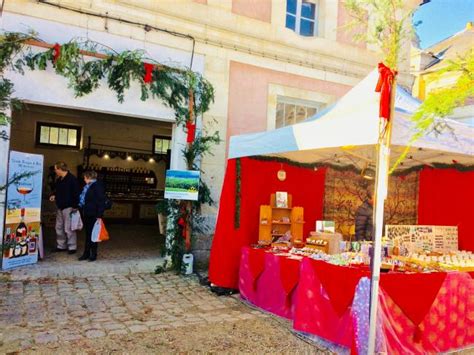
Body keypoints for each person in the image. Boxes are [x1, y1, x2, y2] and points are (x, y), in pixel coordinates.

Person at [49, 161, 80, 254]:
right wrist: (54, 195)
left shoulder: (72, 179)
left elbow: (76, 194)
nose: (55, 171)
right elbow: (57, 191)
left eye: (55, 169)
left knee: (69, 228)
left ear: (60, 169)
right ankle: (61, 246)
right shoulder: (59, 180)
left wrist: (75, 207)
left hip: (69, 207)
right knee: (58, 227)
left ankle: (72, 247)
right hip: (60, 207)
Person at [78, 170, 105, 262]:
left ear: (89, 177)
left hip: (94, 214)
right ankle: (86, 253)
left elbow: (101, 201)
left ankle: (93, 254)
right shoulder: (88, 186)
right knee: (88, 234)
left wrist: (99, 215)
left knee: (93, 235)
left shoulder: (96, 186)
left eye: (85, 177)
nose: (84, 179)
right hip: (87, 213)